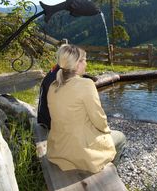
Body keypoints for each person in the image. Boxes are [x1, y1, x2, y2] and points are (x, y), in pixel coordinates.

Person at [46, 44, 126, 173]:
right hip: (80, 151)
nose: (86, 64)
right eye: (85, 60)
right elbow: (98, 118)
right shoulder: (86, 84)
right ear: (78, 64)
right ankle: (110, 176)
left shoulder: (53, 86)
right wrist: (106, 131)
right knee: (121, 137)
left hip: (58, 148)